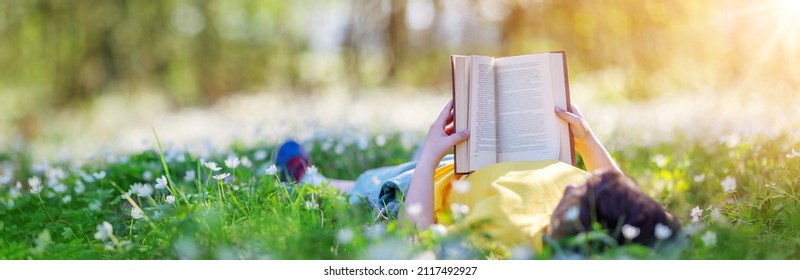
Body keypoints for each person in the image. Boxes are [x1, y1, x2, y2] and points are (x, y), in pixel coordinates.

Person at [276, 100, 681, 254]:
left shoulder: (515, 235)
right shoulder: (615, 206)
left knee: (366, 187)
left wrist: (432, 151)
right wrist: (586, 138)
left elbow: (416, 238)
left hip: (421, 190)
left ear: (581, 228)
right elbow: (619, 188)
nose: (579, 179)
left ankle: (307, 181)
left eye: (581, 191)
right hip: (470, 166)